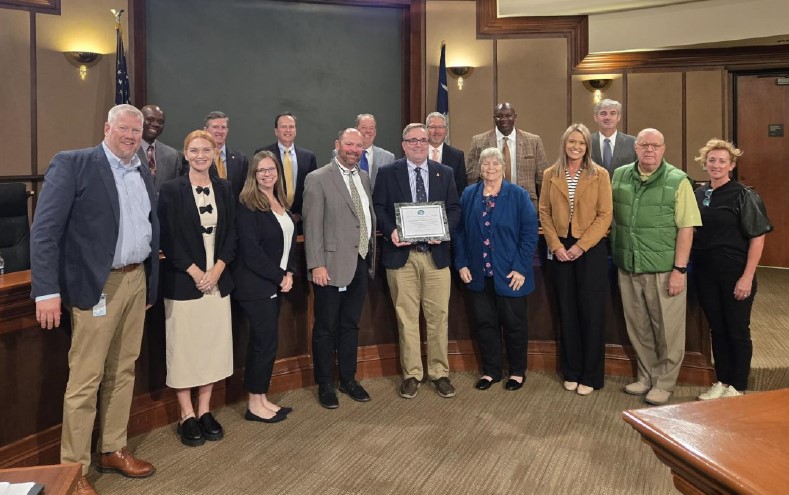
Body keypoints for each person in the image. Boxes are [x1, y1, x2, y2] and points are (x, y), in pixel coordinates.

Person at [30, 104, 159, 495]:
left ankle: (113, 448)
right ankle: (74, 469)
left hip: (136, 280)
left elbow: (152, 227)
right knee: (85, 379)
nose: (131, 136)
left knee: (124, 371)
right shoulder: (73, 164)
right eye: (124, 129)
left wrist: (150, 285)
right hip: (96, 286)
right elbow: (45, 231)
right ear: (107, 128)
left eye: (136, 131)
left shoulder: (142, 170)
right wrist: (46, 290)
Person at [611, 128, 702, 406]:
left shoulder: (678, 181)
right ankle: (646, 375)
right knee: (638, 326)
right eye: (644, 145)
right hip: (628, 265)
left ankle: (665, 381)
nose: (650, 150)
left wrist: (679, 270)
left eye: (655, 145)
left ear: (664, 149)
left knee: (668, 329)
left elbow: (686, 228)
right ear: (635, 148)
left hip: (664, 269)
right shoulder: (620, 175)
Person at [157, 130, 236, 446]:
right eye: (194, 150)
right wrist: (195, 272)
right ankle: (186, 414)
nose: (201, 155)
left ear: (215, 153)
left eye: (207, 150)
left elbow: (232, 236)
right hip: (184, 282)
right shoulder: (171, 190)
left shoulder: (225, 188)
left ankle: (205, 410)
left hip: (217, 282)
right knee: (185, 350)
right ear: (185, 154)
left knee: (212, 349)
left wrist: (216, 270)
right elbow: (168, 238)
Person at [373, 123, 461, 399]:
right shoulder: (388, 173)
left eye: (423, 140)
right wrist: (391, 231)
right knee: (407, 318)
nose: (419, 145)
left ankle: (439, 372)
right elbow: (378, 207)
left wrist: (443, 231)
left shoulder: (444, 173)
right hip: (402, 257)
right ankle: (412, 373)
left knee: (438, 317)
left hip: (436, 257)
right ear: (403, 144)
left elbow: (455, 209)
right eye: (413, 141)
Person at [692, 139, 772, 400]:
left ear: (732, 165)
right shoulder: (698, 194)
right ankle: (722, 380)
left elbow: (757, 237)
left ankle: (738, 386)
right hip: (705, 272)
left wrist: (747, 277)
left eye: (722, 161)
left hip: (736, 273)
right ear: (705, 163)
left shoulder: (744, 194)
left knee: (737, 329)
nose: (716, 165)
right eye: (711, 160)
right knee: (717, 328)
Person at [303, 128, 376, 409]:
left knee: (350, 325)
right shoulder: (318, 178)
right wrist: (317, 264)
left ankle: (348, 378)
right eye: (349, 144)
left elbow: (363, 220)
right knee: (325, 327)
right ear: (337, 145)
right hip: (330, 267)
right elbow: (312, 227)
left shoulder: (364, 177)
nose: (353, 150)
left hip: (360, 262)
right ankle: (325, 384)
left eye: (358, 146)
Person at [454, 147, 537, 391]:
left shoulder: (518, 195)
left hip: (510, 274)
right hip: (478, 273)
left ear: (504, 167)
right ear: (480, 168)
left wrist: (521, 267)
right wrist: (462, 263)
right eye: (486, 164)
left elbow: (530, 234)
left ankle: (517, 372)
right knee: (485, 323)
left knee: (514, 324)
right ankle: (491, 371)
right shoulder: (469, 194)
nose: (490, 168)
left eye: (495, 164)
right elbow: (458, 232)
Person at [539, 124, 612, 396]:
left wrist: (581, 246)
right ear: (564, 144)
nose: (576, 147)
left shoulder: (599, 174)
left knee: (591, 313)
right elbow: (544, 212)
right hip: (559, 249)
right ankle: (571, 370)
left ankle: (590, 375)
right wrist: (556, 245)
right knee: (566, 312)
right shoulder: (550, 174)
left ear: (587, 147)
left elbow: (605, 215)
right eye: (572, 142)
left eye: (581, 143)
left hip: (589, 248)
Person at [233, 150, 295, 422]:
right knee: (261, 344)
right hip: (256, 286)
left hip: (276, 283)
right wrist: (279, 276)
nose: (267, 174)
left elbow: (288, 241)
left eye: (271, 170)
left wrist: (289, 272)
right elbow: (252, 252)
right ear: (253, 175)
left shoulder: (279, 200)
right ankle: (253, 405)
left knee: (268, 342)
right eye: (262, 170)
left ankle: (262, 397)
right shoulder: (247, 204)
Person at [466, 102, 548, 207]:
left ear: (515, 117)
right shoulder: (478, 141)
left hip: (526, 204)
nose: (504, 119)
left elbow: (543, 180)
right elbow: (472, 179)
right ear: (494, 118)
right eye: (499, 116)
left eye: (508, 115)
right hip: (489, 204)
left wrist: (543, 210)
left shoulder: (533, 141)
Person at [255, 112, 318, 222]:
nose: (288, 130)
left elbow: (311, 191)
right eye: (284, 127)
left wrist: (299, 214)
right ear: (276, 131)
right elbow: (257, 188)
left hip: (300, 221)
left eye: (291, 127)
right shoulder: (263, 154)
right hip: (270, 218)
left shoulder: (308, 157)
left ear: (295, 130)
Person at [332, 114, 395, 187]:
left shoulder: (388, 158)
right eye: (364, 127)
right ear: (356, 130)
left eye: (371, 128)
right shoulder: (339, 153)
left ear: (375, 132)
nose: (368, 131)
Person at [204, 110, 249, 200]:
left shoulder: (240, 159)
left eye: (223, 127)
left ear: (227, 131)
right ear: (205, 130)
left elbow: (245, 191)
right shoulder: (198, 159)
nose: (220, 131)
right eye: (215, 127)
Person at [136, 104, 181, 192]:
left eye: (160, 122)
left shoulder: (172, 155)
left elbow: (176, 190)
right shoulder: (128, 151)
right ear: (139, 121)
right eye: (150, 119)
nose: (156, 124)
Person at [589, 99, 637, 177]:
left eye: (612, 114)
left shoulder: (633, 143)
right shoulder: (586, 142)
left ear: (618, 117)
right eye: (603, 114)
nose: (608, 117)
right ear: (595, 117)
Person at [426, 111, 467, 198]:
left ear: (446, 131)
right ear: (426, 129)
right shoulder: (418, 153)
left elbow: (461, 188)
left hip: (448, 207)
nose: (437, 131)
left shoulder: (457, 156)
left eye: (440, 127)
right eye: (433, 127)